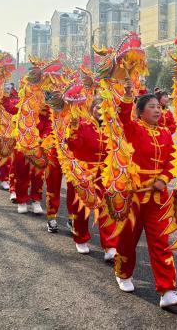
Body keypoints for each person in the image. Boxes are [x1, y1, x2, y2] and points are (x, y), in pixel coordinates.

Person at [113, 79, 177, 309]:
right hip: (134, 195)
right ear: (141, 112)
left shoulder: (165, 134)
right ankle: (123, 273)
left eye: (159, 106)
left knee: (161, 242)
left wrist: (164, 179)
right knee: (128, 238)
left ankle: (167, 290)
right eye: (152, 106)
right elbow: (123, 117)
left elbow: (170, 162)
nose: (157, 110)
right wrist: (126, 95)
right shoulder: (133, 128)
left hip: (158, 197)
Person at [64, 96, 119, 258]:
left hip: (105, 174)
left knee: (107, 208)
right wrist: (73, 128)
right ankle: (80, 238)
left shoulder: (112, 128)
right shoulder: (82, 125)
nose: (100, 109)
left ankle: (110, 246)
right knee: (81, 208)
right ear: (91, 108)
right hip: (82, 174)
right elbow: (74, 146)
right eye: (97, 106)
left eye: (104, 106)